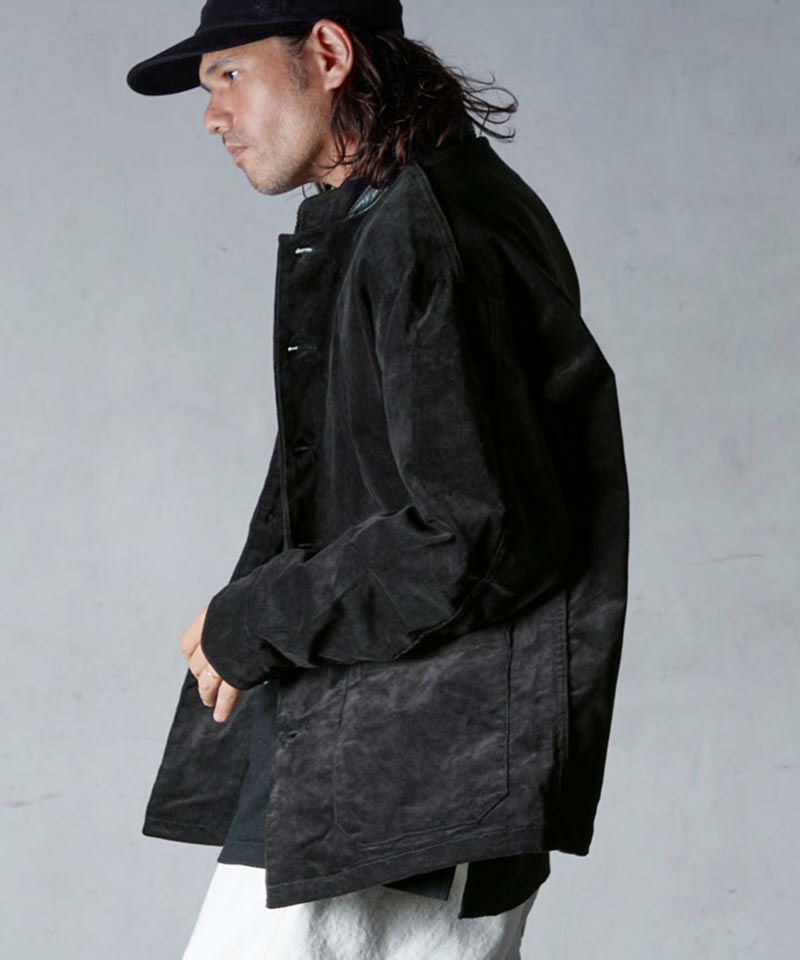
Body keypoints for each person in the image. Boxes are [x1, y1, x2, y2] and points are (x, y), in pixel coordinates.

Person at [126, 2, 630, 957]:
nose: (212, 115)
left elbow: (475, 534)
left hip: (415, 777)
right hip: (386, 761)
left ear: (327, 53)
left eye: (229, 75)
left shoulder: (426, 228)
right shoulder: (412, 211)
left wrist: (255, 618)